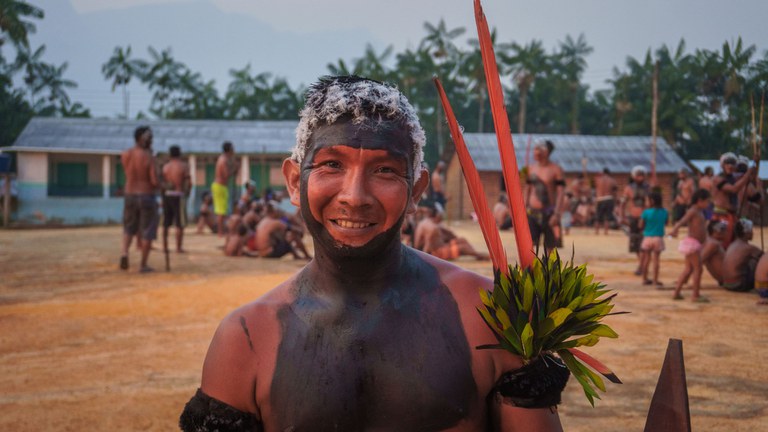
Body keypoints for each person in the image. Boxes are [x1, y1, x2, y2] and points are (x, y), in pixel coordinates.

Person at [179, 76, 566, 432]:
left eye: (384, 170)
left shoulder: (490, 315)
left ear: (416, 191)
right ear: (295, 182)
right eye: (332, 164)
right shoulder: (246, 341)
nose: (355, 196)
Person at [119, 126, 159, 273]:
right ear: (142, 139)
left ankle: (124, 253)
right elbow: (153, 180)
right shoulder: (149, 156)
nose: (151, 141)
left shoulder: (126, 154)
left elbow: (128, 173)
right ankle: (143, 264)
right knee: (147, 230)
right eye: (150, 138)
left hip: (129, 194)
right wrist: (162, 185)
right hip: (146, 195)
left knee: (129, 228)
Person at [669, 189, 712, 302]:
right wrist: (675, 229)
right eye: (707, 201)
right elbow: (682, 221)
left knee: (688, 269)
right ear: (700, 200)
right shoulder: (693, 211)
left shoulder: (699, 211)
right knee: (698, 269)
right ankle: (695, 295)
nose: (708, 204)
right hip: (692, 244)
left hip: (693, 244)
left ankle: (676, 292)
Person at [524, 139, 565, 255]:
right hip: (532, 213)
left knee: (550, 248)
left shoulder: (556, 170)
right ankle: (532, 267)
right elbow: (527, 189)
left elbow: (561, 192)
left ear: (547, 152)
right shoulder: (531, 169)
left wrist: (557, 214)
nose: (536, 152)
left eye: (539, 149)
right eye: (535, 149)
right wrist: (523, 209)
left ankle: (547, 267)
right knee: (529, 246)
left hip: (549, 214)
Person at [414, 204, 489, 261]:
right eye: (441, 217)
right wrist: (424, 259)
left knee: (462, 240)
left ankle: (476, 254)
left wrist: (449, 236)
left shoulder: (429, 223)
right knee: (462, 247)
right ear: (437, 216)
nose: (441, 220)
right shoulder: (433, 228)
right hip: (434, 253)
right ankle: (478, 255)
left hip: (438, 247)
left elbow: (451, 235)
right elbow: (427, 247)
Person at [712, 152, 754, 249]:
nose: (730, 165)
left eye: (732, 163)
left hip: (733, 216)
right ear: (722, 165)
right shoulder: (718, 179)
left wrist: (754, 164)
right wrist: (748, 174)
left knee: (733, 243)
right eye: (727, 163)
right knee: (722, 243)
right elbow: (734, 189)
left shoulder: (734, 178)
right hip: (720, 216)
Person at [620, 165, 651, 275]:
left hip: (645, 218)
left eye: (642, 175)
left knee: (644, 244)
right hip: (633, 218)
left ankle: (641, 267)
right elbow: (623, 203)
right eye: (638, 175)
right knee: (636, 244)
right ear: (633, 176)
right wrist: (622, 216)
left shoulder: (648, 188)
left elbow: (650, 203)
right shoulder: (629, 188)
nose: (640, 178)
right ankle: (641, 265)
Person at [161, 145, 191, 253]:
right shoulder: (183, 166)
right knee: (179, 223)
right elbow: (188, 182)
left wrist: (163, 196)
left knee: (166, 223)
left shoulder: (166, 167)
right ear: (179, 153)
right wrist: (187, 193)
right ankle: (178, 247)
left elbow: (162, 183)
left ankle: (165, 246)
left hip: (167, 195)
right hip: (179, 195)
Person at [722, 219, 763, 292]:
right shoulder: (749, 248)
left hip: (726, 284)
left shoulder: (732, 245)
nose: (752, 233)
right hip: (738, 285)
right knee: (755, 261)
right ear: (746, 232)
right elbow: (765, 258)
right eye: (751, 231)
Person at [638, 191, 668, 287]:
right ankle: (655, 280)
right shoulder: (664, 212)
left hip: (647, 237)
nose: (646, 202)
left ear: (652, 201)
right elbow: (666, 223)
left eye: (647, 200)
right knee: (656, 260)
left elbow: (640, 225)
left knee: (646, 259)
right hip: (658, 238)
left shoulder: (646, 212)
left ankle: (644, 278)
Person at [212, 141, 240, 237]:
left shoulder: (225, 159)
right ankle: (220, 232)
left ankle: (222, 230)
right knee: (221, 211)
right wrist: (235, 169)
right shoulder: (223, 160)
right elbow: (226, 175)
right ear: (230, 149)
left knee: (223, 210)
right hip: (220, 186)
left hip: (222, 186)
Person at [701, 220, 727, 285]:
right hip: (728, 280)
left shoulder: (709, 241)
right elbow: (698, 262)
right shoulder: (713, 244)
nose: (726, 232)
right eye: (724, 230)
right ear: (717, 232)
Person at [593, 168, 618, 235]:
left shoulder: (598, 180)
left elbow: (595, 188)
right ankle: (605, 232)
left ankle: (596, 231)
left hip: (600, 199)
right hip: (609, 198)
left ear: (603, 173)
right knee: (607, 216)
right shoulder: (612, 180)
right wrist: (615, 200)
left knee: (598, 216)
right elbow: (615, 191)